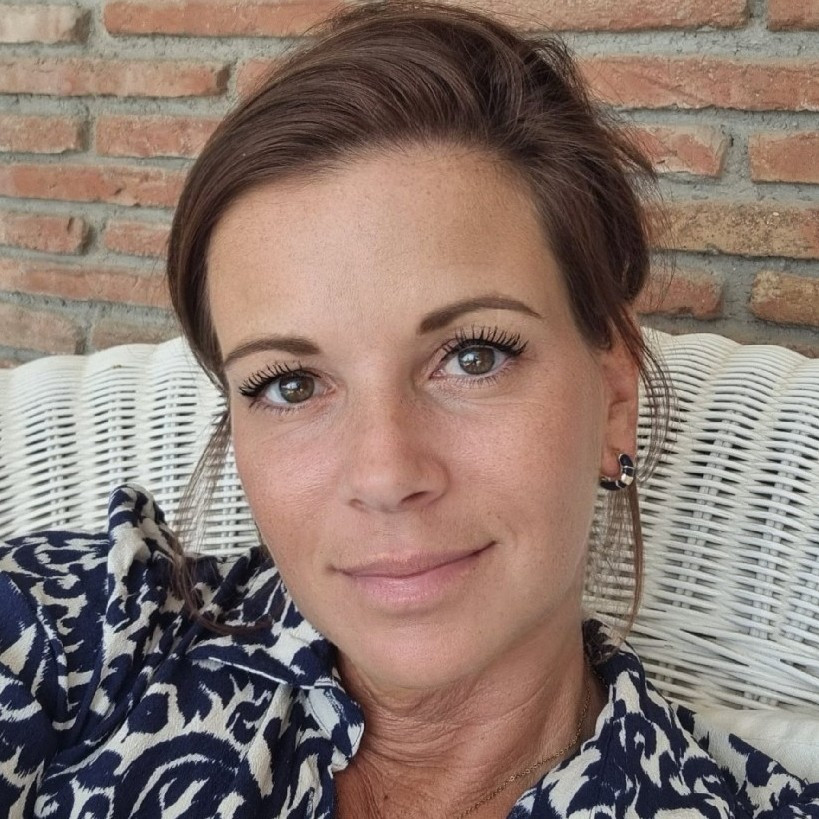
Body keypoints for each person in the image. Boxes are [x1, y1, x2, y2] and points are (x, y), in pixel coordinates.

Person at [0, 2, 817, 817]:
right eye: (291, 384)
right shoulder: (82, 634)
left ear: (612, 398)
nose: (385, 474)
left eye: (474, 356)